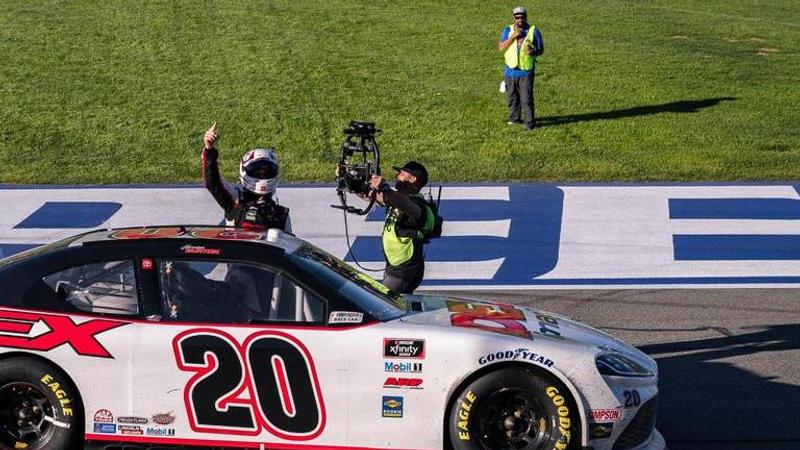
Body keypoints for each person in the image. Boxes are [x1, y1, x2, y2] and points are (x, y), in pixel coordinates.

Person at [201, 122, 291, 232]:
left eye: (266, 172)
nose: (262, 176)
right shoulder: (236, 201)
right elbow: (213, 182)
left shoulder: (281, 214)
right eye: (257, 172)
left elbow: (290, 245)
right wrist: (209, 149)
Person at [366, 161, 433, 294]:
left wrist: (386, 189)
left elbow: (407, 206)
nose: (397, 176)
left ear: (413, 179)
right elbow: (376, 198)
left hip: (403, 270)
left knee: (382, 304)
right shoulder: (397, 199)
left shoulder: (417, 204)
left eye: (402, 174)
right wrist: (353, 184)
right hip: (395, 266)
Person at [498, 6, 544, 130]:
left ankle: (529, 123)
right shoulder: (507, 30)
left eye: (522, 17)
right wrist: (512, 37)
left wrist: (532, 52)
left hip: (526, 72)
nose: (520, 20)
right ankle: (514, 119)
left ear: (526, 17)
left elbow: (541, 50)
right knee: (512, 97)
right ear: (513, 17)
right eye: (517, 17)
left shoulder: (533, 31)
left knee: (526, 99)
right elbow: (501, 47)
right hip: (510, 71)